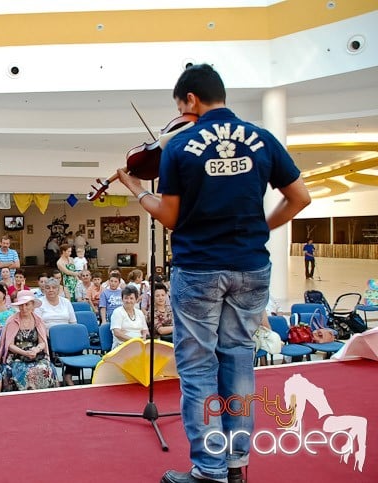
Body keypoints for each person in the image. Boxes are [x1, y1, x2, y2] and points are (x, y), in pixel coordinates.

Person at [117, 64, 310, 483]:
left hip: (201, 268)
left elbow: (170, 215)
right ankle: (237, 464)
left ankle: (209, 470)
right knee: (239, 360)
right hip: (251, 267)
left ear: (190, 100)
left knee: (199, 367)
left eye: (181, 105)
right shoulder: (262, 138)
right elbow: (300, 196)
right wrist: (263, 227)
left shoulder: (181, 144)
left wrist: (137, 189)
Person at [0, 290, 58, 391]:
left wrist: (36, 350)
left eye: (27, 305)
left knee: (47, 368)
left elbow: (42, 342)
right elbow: (9, 345)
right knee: (20, 370)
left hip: (36, 355)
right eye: (21, 305)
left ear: (33, 305)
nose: (24, 308)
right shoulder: (12, 321)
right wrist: (25, 353)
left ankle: (44, 397)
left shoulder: (38, 320)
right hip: (16, 356)